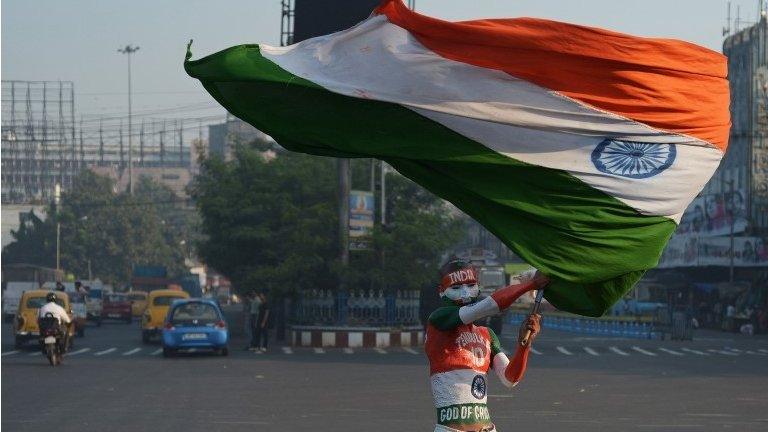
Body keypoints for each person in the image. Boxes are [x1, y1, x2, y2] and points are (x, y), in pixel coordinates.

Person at [426, 259, 548, 432]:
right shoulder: (438, 321)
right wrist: (531, 284)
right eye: (456, 288)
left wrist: (525, 344)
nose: (465, 293)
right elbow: (485, 307)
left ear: (478, 286)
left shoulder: (487, 334)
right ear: (441, 292)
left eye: (470, 285)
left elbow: (509, 379)